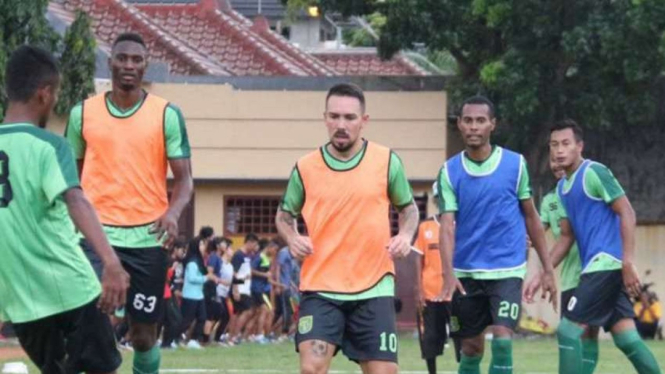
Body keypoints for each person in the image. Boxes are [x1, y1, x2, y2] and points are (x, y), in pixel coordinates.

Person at [65, 32, 193, 373]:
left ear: (145, 66)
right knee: (91, 323)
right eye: (122, 58)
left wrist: (173, 212)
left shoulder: (166, 114)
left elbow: (184, 180)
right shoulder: (82, 114)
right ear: (110, 63)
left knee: (143, 336)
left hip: (147, 239)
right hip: (96, 236)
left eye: (136, 60)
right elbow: (72, 182)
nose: (129, 65)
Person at [0, 45, 129, 373]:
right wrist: (111, 262)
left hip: (21, 301)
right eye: (56, 93)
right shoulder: (49, 146)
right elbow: (76, 200)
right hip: (71, 290)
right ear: (44, 94)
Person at [275, 83, 419, 374]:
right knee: (311, 368)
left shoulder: (387, 161)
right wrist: (292, 237)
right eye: (335, 116)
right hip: (321, 287)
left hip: (374, 286)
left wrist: (405, 235)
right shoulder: (305, 167)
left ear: (363, 121)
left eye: (350, 118)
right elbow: (284, 214)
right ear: (325, 118)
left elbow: (409, 209)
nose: (341, 125)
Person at [526, 119, 661, 374]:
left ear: (579, 146)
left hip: (605, 263)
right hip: (597, 267)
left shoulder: (594, 172)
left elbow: (627, 212)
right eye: (554, 145)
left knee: (568, 331)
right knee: (627, 339)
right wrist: (545, 271)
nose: (559, 150)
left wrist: (628, 261)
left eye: (566, 143)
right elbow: (567, 237)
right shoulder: (563, 188)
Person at [437, 95, 557, 374]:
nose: (474, 127)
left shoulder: (515, 165)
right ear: (459, 125)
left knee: (502, 341)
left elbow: (532, 217)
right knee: (471, 349)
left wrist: (548, 268)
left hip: (507, 270)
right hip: (466, 273)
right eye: (468, 120)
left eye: (481, 121)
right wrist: (447, 274)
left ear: (493, 124)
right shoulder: (449, 171)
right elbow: (446, 226)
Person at [529, 155, 599, 372]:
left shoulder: (587, 190)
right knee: (570, 333)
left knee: (589, 333)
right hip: (569, 277)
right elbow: (538, 232)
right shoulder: (550, 200)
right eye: (552, 160)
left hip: (594, 271)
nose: (557, 164)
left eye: (561, 158)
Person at [414, 183, 449, 374]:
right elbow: (418, 259)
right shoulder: (425, 226)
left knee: (463, 338)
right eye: (440, 198)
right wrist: (418, 289)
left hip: (455, 295)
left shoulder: (461, 225)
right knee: (430, 340)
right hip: (431, 293)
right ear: (435, 200)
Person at [180, 237, 216, 349]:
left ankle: (194, 340)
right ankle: (173, 338)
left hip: (199, 295)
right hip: (190, 295)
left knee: (202, 317)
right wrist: (206, 278)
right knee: (187, 320)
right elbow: (192, 278)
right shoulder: (192, 262)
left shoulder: (199, 260)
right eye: (201, 245)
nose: (203, 247)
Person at [228, 233, 259, 343]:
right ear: (249, 242)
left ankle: (233, 336)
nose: (255, 248)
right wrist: (235, 288)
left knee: (240, 313)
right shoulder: (238, 255)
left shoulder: (247, 256)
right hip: (239, 289)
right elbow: (234, 273)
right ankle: (234, 335)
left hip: (245, 289)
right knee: (248, 311)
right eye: (254, 244)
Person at [213, 237, 235, 344]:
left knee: (226, 316)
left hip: (225, 294)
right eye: (230, 249)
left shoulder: (230, 266)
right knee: (218, 315)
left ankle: (217, 337)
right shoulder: (220, 262)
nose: (232, 251)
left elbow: (232, 280)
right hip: (217, 292)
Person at [273, 244, 295, 341]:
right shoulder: (284, 252)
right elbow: (278, 268)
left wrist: (292, 284)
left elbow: (287, 272)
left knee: (288, 310)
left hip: (287, 286)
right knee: (285, 310)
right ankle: (283, 333)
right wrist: (278, 284)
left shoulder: (290, 254)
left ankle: (282, 332)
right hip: (283, 287)